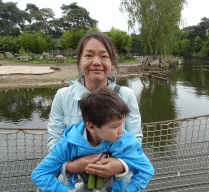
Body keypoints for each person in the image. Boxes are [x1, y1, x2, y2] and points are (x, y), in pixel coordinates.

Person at [47, 32, 142, 181]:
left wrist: (120, 165)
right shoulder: (62, 96)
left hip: (117, 183)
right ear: (79, 62)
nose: (96, 62)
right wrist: (72, 166)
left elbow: (136, 140)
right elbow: (54, 141)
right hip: (73, 184)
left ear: (112, 64)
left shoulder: (127, 95)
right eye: (89, 55)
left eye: (104, 56)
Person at [31, 88, 154, 192]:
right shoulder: (68, 144)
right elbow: (40, 174)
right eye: (115, 126)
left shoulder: (125, 142)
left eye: (122, 123)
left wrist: (129, 190)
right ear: (91, 127)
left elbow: (146, 170)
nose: (122, 130)